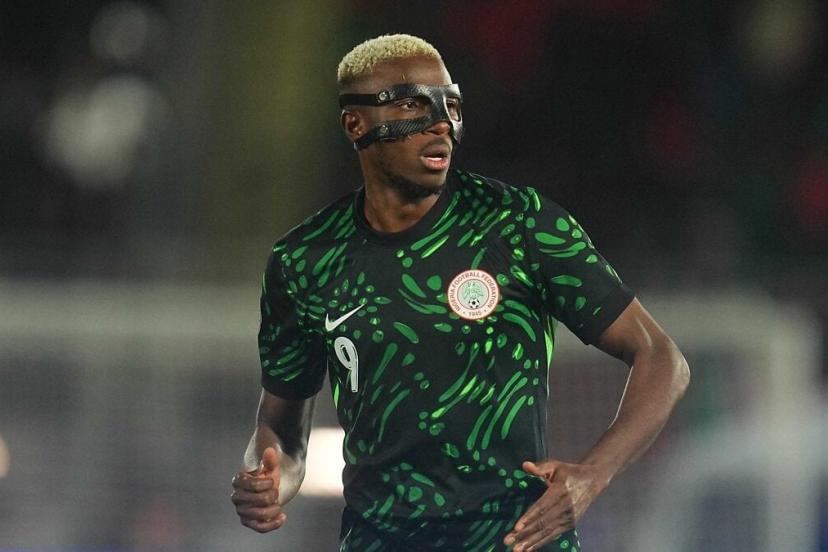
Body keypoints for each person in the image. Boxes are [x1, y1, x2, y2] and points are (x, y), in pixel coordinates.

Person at [230, 34, 690, 552]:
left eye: (450, 104)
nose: (441, 123)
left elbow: (662, 358)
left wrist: (592, 474)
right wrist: (267, 480)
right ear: (355, 124)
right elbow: (281, 431)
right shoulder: (304, 261)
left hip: (517, 539)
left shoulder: (518, 224)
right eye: (412, 104)